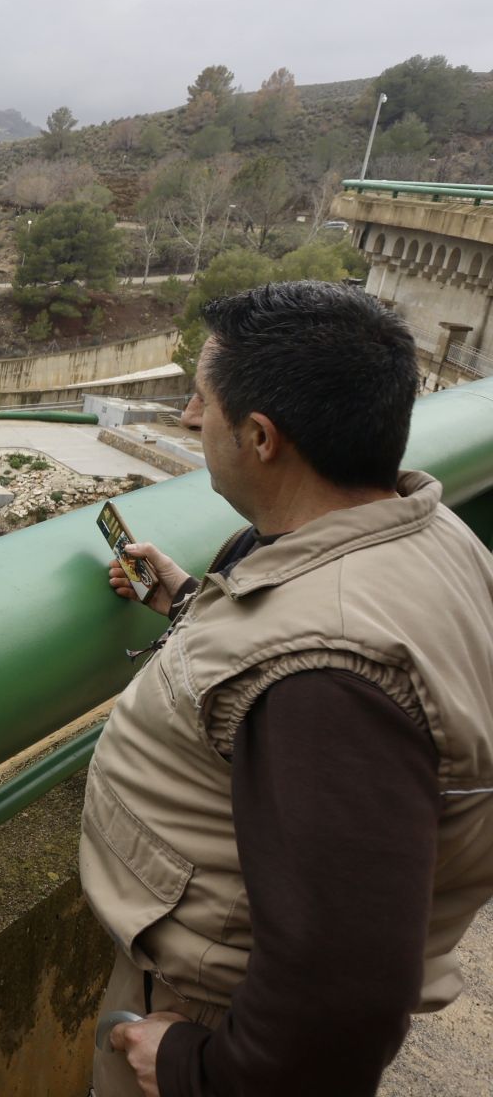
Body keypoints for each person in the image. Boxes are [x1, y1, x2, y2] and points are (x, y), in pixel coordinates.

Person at [81, 280, 493, 1096]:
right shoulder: (428, 532)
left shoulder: (328, 676)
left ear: (261, 437)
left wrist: (194, 1067)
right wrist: (192, 601)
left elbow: (345, 992)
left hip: (210, 1011)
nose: (192, 420)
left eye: (203, 401)